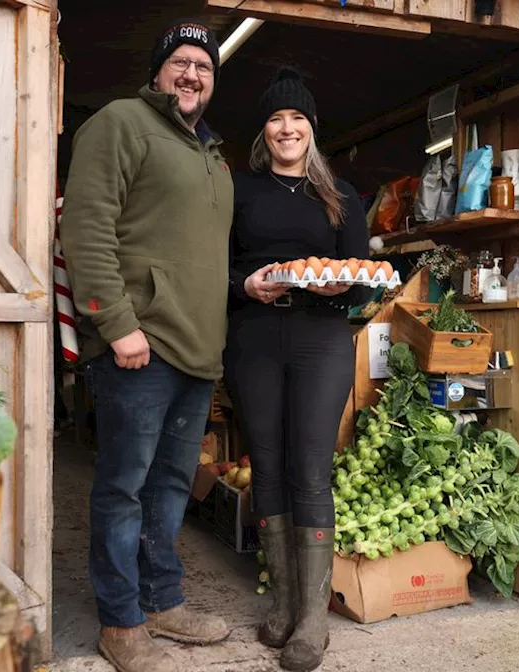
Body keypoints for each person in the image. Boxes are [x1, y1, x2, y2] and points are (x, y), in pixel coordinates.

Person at [57, 18, 235, 672]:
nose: (193, 74)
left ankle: (162, 600)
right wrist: (115, 322)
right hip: (141, 346)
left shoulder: (212, 154)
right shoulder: (120, 123)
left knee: (169, 488)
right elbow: (86, 227)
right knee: (124, 488)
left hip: (197, 352)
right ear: (159, 71)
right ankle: (121, 621)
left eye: (205, 67)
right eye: (182, 62)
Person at [223, 68, 369, 672]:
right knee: (267, 461)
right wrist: (244, 284)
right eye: (277, 118)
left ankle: (312, 620)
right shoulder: (239, 190)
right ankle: (283, 603)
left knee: (311, 465)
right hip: (254, 335)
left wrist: (344, 285)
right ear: (266, 130)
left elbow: (365, 282)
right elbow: (217, 266)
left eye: (297, 119)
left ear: (312, 129)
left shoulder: (341, 196)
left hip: (321, 336)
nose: (287, 128)